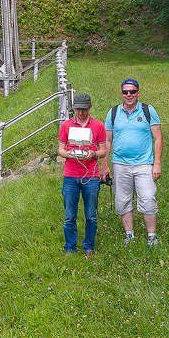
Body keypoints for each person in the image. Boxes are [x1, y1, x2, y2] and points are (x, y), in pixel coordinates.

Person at [102, 78, 163, 247]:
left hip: (144, 163)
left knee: (148, 198)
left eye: (132, 91)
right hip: (120, 164)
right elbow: (107, 141)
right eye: (125, 92)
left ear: (138, 93)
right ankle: (129, 234)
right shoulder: (113, 112)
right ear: (121, 94)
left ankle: (152, 235)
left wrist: (156, 163)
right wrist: (105, 165)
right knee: (122, 199)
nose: (129, 95)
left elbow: (158, 138)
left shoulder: (148, 111)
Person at [58, 92, 107, 257]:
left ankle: (88, 247)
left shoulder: (98, 126)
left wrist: (93, 154)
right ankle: (70, 247)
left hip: (91, 175)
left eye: (84, 109)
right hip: (71, 174)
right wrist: (71, 154)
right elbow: (61, 149)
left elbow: (103, 150)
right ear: (74, 109)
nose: (81, 113)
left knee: (91, 215)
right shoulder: (66, 126)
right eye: (78, 109)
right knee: (69, 215)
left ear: (90, 108)